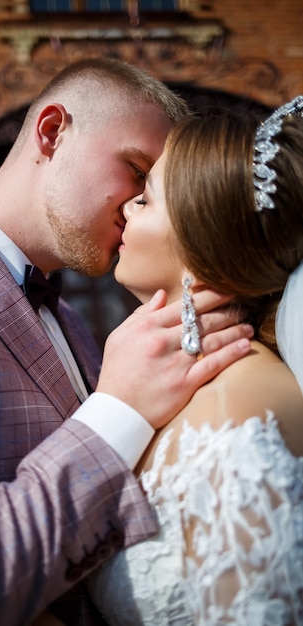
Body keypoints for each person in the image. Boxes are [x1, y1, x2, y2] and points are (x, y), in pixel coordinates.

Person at [0, 58, 253, 626]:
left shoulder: (78, 325)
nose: (137, 208)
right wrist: (115, 415)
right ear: (53, 131)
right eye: (136, 170)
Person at [84, 97, 303, 624]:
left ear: (202, 247)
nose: (127, 205)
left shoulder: (240, 411)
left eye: (148, 197)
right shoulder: (163, 384)